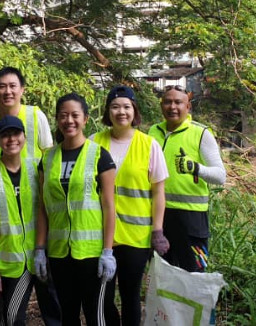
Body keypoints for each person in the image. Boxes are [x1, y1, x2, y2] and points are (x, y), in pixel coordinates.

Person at [0, 66, 61, 325]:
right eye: (2, 86)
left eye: (13, 85)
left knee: (49, 298)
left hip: (37, 219)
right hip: (1, 221)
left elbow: (51, 158)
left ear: (22, 89)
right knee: (6, 310)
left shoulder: (36, 117)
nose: (8, 91)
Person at [89, 86, 170, 326]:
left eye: (126, 106)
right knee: (102, 297)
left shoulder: (149, 145)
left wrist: (157, 230)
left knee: (130, 295)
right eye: (115, 106)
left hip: (136, 237)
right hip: (101, 234)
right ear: (107, 111)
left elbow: (158, 191)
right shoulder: (94, 142)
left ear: (134, 111)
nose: (121, 112)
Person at [35, 93, 117, 325]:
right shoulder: (48, 158)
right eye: (63, 116)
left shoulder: (99, 155)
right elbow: (43, 207)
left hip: (91, 252)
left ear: (85, 119)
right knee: (68, 313)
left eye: (74, 115)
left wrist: (108, 252)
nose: (68, 120)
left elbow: (109, 206)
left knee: (97, 314)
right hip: (59, 252)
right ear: (57, 120)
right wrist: (40, 249)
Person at [0, 116, 42, 326]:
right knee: (0, 317)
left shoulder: (36, 169)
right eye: (5, 135)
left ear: (24, 137)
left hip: (25, 260)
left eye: (16, 134)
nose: (11, 139)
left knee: (13, 317)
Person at [148, 86, 226, 272]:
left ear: (188, 107)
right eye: (167, 102)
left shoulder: (200, 133)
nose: (172, 107)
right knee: (162, 275)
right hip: (159, 217)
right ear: (161, 106)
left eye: (178, 102)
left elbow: (220, 176)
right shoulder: (153, 132)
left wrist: (195, 168)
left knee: (194, 275)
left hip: (192, 219)